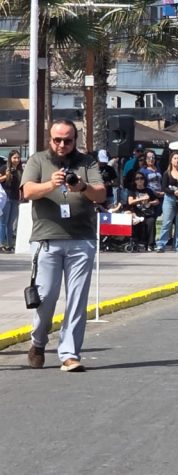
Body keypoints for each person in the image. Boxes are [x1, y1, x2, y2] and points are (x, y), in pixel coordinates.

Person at [21, 119, 106, 371]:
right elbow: (27, 191)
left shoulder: (87, 163)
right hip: (46, 239)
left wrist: (82, 186)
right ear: (50, 139)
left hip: (81, 239)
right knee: (46, 296)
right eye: (57, 140)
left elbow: (100, 194)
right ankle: (38, 341)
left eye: (67, 140)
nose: (61, 145)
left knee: (77, 299)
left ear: (75, 140)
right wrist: (51, 184)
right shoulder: (38, 160)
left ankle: (69, 353)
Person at [156, 151, 178, 253]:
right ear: (171, 160)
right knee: (167, 222)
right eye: (175, 158)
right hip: (169, 199)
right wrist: (173, 192)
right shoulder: (166, 173)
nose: (177, 160)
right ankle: (161, 245)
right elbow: (164, 188)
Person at [127, 171, 160, 250]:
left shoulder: (148, 190)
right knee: (137, 223)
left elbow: (157, 201)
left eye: (141, 178)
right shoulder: (132, 191)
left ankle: (150, 244)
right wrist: (141, 198)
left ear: (144, 180)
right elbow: (130, 202)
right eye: (137, 178)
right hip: (137, 214)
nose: (139, 180)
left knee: (151, 221)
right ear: (135, 181)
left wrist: (150, 203)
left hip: (148, 213)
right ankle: (138, 243)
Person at [0, 150, 23, 252]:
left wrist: (22, 194)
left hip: (15, 198)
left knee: (11, 223)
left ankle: (10, 245)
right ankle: (1, 244)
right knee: (3, 222)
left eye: (18, 158)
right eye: (14, 158)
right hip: (6, 197)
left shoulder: (20, 170)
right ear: (10, 158)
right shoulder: (4, 168)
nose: (17, 160)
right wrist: (6, 176)